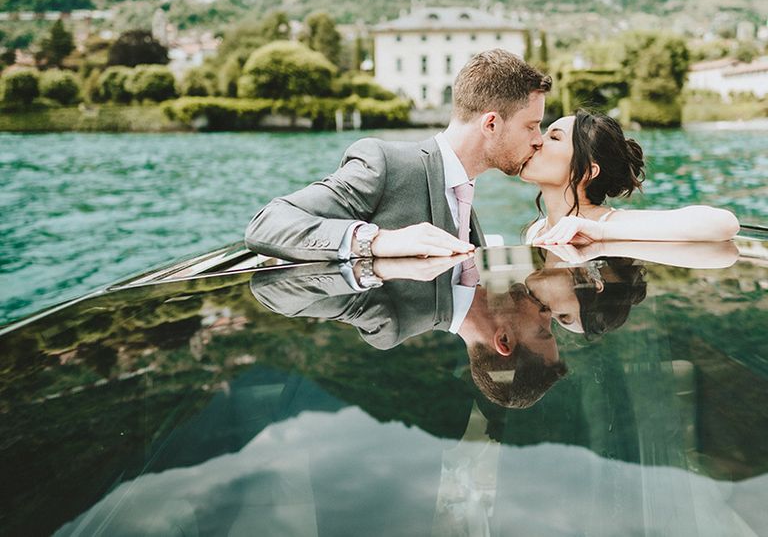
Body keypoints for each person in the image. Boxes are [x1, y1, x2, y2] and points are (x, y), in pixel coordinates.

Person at [245, 49, 551, 262]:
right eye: (532, 126)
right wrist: (377, 241)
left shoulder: (464, 188)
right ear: (492, 124)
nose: (538, 140)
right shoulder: (384, 164)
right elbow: (267, 224)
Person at [249, 254, 567, 408]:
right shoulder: (484, 256)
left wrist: (376, 250)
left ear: (504, 340)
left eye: (542, 331)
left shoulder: (390, 319)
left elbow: (273, 289)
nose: (547, 313)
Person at [520, 109, 740, 245]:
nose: (538, 140)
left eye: (555, 138)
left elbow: (724, 223)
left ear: (587, 171)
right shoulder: (536, 230)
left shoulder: (606, 223)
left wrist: (603, 232)